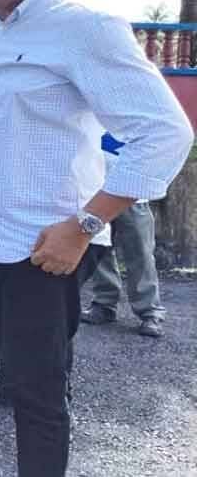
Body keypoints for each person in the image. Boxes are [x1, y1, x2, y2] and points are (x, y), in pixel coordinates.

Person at [0, 0, 193, 477]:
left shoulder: (84, 28)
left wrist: (85, 224)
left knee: (37, 390)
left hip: (42, 248)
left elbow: (165, 133)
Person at [81, 133, 167, 338]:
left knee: (140, 254)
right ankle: (104, 304)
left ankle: (150, 312)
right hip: (95, 191)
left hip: (133, 193)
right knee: (100, 250)